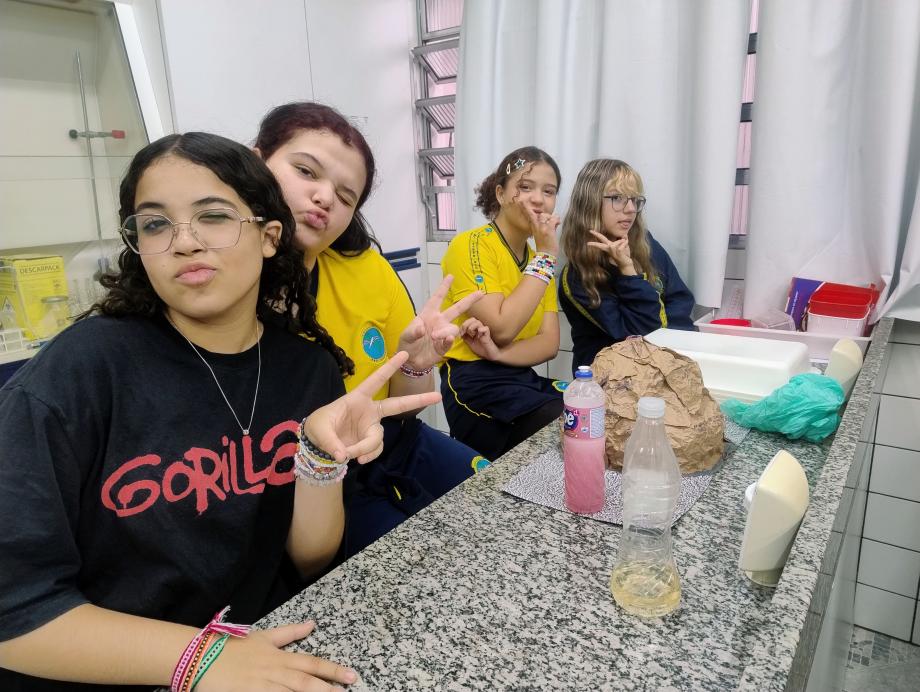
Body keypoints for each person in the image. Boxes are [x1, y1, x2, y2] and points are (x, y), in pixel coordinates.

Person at [0, 132, 438, 691]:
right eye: (155, 224)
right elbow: (16, 611)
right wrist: (201, 659)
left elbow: (308, 562)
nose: (184, 242)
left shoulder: (308, 369)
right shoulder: (81, 371)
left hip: (259, 652)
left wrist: (319, 458)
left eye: (212, 216)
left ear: (269, 237)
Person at [255, 102, 486, 558]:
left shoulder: (368, 270)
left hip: (395, 445)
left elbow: (403, 404)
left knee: (499, 502)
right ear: (255, 162)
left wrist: (417, 364)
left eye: (346, 197)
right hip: (314, 482)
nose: (325, 198)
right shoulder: (227, 289)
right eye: (306, 171)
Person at [438, 147, 567, 461]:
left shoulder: (538, 263)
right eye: (525, 187)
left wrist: (498, 354)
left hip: (518, 374)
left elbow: (549, 344)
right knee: (560, 425)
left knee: (589, 405)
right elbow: (502, 328)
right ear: (500, 193)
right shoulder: (471, 245)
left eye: (548, 191)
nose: (538, 199)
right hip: (473, 380)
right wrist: (547, 255)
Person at [558, 158, 696, 370]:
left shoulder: (644, 243)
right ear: (590, 204)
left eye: (635, 199)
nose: (631, 209)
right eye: (617, 198)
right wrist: (628, 272)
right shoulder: (576, 277)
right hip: (610, 379)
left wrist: (678, 353)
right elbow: (639, 334)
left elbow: (680, 301)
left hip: (664, 364)